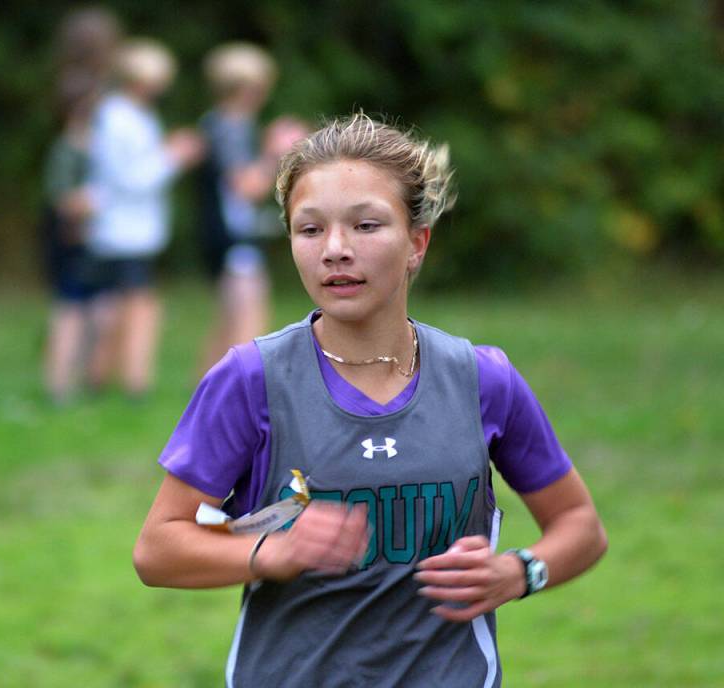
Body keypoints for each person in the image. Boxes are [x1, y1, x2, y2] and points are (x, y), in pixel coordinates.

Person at [133, 113, 607, 686]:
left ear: (417, 243)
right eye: (310, 230)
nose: (335, 249)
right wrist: (267, 552)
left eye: (366, 226)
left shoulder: (483, 380)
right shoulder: (250, 379)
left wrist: (519, 572)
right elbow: (157, 550)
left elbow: (580, 525)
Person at [87, 38, 204, 397]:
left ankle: (102, 380)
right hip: (121, 230)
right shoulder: (116, 118)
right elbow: (129, 179)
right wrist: (174, 156)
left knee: (119, 308)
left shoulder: (136, 115)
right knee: (136, 308)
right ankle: (134, 383)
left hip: (135, 230)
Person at [196, 43, 306, 372]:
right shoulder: (229, 126)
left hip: (227, 234)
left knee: (230, 317)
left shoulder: (224, 123)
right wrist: (276, 151)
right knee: (247, 317)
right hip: (232, 237)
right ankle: (239, 389)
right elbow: (246, 187)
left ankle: (206, 388)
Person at [39, 8, 121, 404]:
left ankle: (89, 380)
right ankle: (59, 384)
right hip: (76, 235)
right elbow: (63, 197)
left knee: (98, 309)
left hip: (95, 234)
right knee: (72, 308)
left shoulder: (81, 90)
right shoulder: (71, 145)